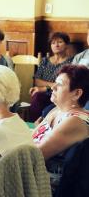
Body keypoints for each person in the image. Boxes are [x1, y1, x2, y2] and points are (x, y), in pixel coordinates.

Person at [32, 65, 89, 193]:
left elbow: (36, 155)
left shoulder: (76, 120)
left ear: (77, 93)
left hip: (50, 187)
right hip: (35, 175)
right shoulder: (56, 110)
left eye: (60, 84)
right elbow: (30, 139)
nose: (53, 87)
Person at [29, 32, 73, 122]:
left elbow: (66, 83)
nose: (56, 45)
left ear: (67, 45)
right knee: (37, 96)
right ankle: (33, 125)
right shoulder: (45, 61)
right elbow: (37, 80)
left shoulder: (70, 62)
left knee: (45, 106)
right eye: (53, 43)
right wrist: (52, 85)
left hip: (60, 94)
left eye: (60, 42)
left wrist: (45, 88)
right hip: (43, 94)